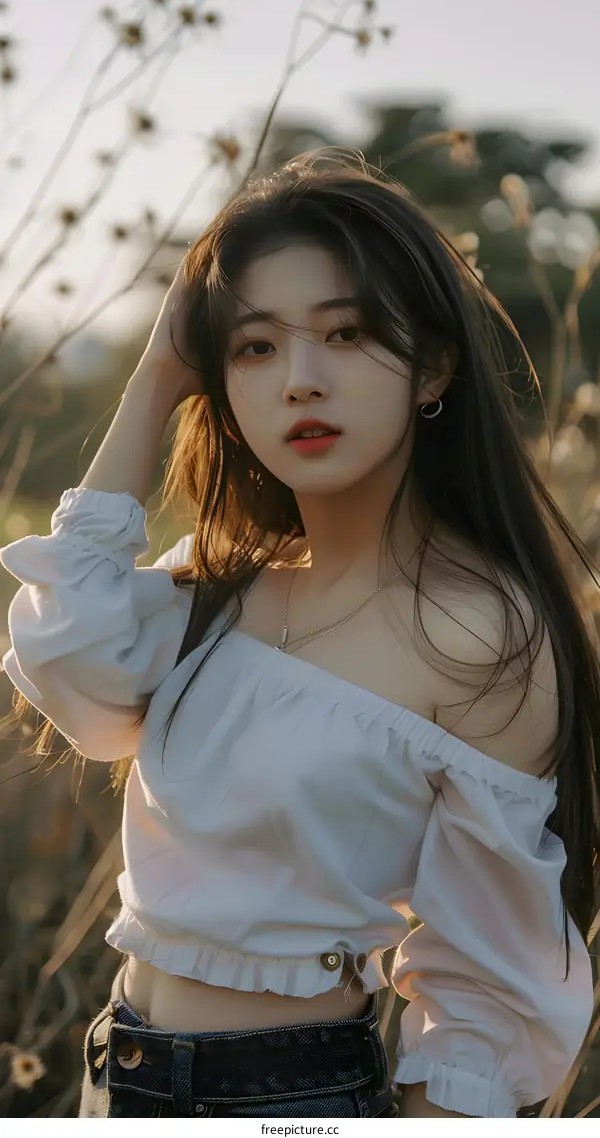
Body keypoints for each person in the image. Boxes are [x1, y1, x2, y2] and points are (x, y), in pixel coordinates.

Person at [1, 153, 597, 1120]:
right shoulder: (221, 581)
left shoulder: (484, 636)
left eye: (347, 334)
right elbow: (71, 664)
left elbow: (486, 990)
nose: (301, 382)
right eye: (255, 347)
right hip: (115, 1074)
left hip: (294, 1094)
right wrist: (157, 375)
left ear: (433, 364)